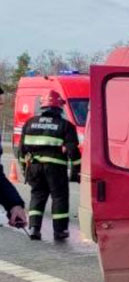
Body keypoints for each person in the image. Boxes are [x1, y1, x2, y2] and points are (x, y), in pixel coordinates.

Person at [19, 90, 80, 240]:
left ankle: (34, 228)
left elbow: (22, 150)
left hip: (34, 166)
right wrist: (77, 170)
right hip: (56, 168)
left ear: (43, 107)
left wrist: (23, 168)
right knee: (59, 198)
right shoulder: (65, 125)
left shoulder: (30, 123)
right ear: (59, 107)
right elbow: (72, 150)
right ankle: (60, 231)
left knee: (37, 196)